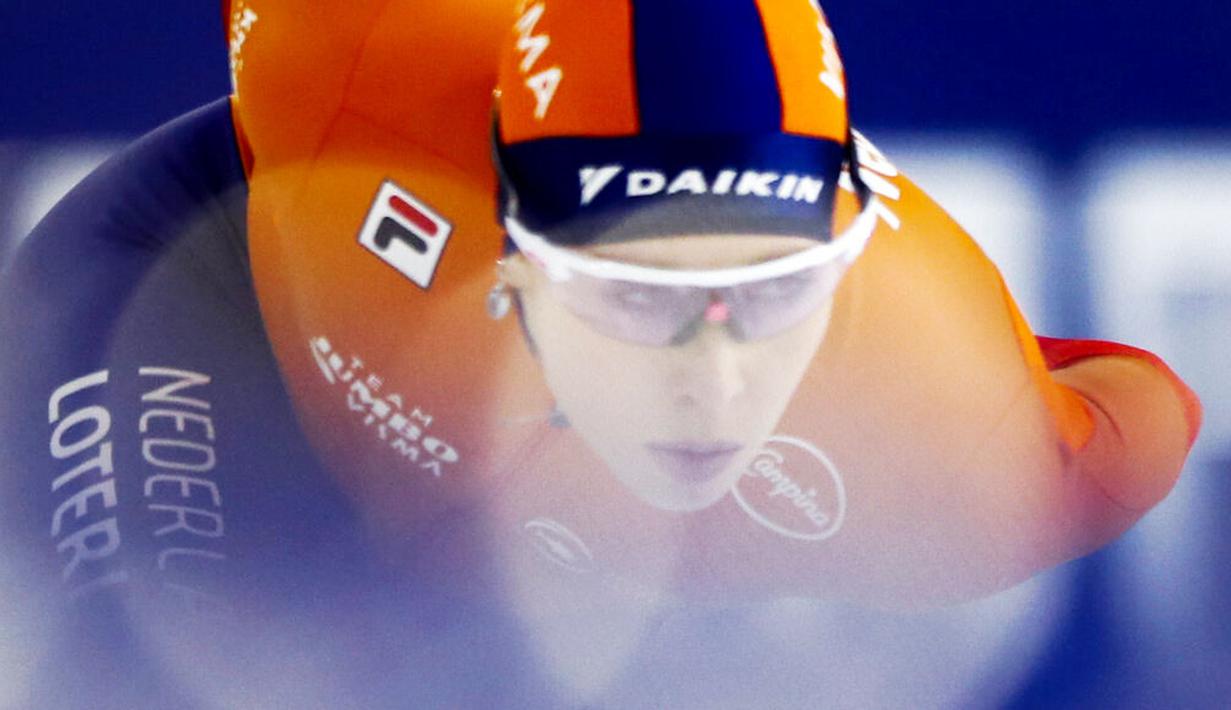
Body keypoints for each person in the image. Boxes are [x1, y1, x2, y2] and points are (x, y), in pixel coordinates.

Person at [0, 0, 1202, 706]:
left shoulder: (965, 455)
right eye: (632, 297)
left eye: (770, 295)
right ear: (515, 262)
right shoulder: (355, 62)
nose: (707, 376)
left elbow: (1141, 407)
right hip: (215, 305)